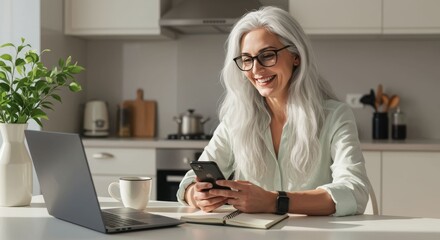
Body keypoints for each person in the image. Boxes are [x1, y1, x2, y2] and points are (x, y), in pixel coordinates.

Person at [176, 6, 371, 217]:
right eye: (247, 59)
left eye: (267, 55)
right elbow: (188, 181)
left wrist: (275, 201)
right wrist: (195, 194)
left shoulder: (335, 116)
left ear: (296, 56)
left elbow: (354, 192)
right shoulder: (236, 119)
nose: (256, 70)